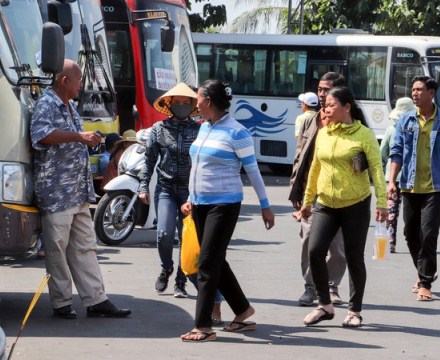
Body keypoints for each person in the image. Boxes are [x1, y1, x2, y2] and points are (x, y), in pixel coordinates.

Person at [30, 59, 131, 319]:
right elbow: (41, 135)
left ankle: (96, 300)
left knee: (85, 247)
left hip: (77, 190)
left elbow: (70, 137)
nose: (81, 87)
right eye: (79, 81)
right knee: (57, 251)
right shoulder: (46, 103)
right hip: (56, 192)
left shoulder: (70, 107)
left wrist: (89, 138)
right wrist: (78, 137)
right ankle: (61, 303)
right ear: (65, 81)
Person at [179, 79, 275, 342]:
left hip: (225, 204)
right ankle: (242, 309)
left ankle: (203, 326)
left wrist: (266, 206)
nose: (194, 103)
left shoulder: (237, 132)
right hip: (199, 203)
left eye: (197, 98)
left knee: (208, 262)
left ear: (208, 101)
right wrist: (190, 197)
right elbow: (199, 166)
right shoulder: (204, 128)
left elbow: (253, 171)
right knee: (216, 259)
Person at [300, 86, 388, 328]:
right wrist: (308, 201)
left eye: (331, 104)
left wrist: (382, 203)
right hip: (325, 203)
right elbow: (315, 169)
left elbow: (377, 171)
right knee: (315, 251)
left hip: (355, 205)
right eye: (325, 104)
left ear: (346, 107)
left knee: (354, 257)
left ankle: (354, 311)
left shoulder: (364, 135)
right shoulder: (324, 133)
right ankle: (324, 305)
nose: (326, 109)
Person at [388, 75, 440, 302]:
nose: (415, 94)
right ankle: (425, 270)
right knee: (410, 234)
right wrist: (391, 181)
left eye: (419, 90)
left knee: (429, 233)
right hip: (410, 186)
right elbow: (396, 152)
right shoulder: (406, 120)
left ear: (431, 93)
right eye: (413, 89)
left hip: (436, 186)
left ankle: (425, 282)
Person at [289, 72, 348, 307]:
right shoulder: (310, 120)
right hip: (311, 195)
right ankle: (311, 287)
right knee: (310, 243)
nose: (322, 94)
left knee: (338, 247)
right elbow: (299, 157)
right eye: (320, 89)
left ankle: (332, 285)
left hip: (341, 196)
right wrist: (296, 191)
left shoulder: (351, 123)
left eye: (327, 90)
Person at [138, 82, 201, 297]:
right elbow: (149, 160)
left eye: (186, 103)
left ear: (193, 106)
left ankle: (181, 282)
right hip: (165, 188)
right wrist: (143, 186)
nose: (181, 106)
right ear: (169, 104)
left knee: (186, 237)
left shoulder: (200, 130)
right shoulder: (158, 129)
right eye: (177, 103)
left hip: (190, 191)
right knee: (163, 233)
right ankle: (166, 267)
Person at [380, 97, 415, 253]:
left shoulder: (390, 129)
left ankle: (391, 242)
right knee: (411, 212)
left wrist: (383, 169)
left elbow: (383, 152)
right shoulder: (415, 128)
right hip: (410, 177)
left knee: (392, 211)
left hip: (391, 178)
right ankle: (413, 240)